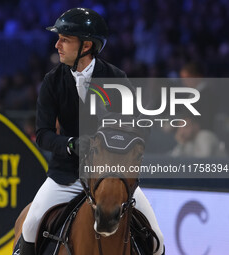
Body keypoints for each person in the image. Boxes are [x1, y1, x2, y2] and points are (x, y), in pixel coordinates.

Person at [20, 8, 164, 255]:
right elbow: (43, 134)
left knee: (157, 240)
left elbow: (134, 128)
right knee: (30, 226)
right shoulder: (52, 81)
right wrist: (70, 144)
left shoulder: (116, 78)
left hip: (111, 176)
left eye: (65, 40)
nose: (57, 45)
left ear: (86, 46)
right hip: (66, 175)